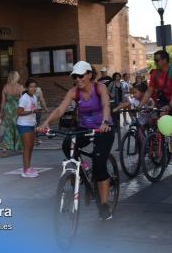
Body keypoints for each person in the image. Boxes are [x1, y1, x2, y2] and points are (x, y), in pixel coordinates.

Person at [39, 61, 115, 220]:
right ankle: (83, 170)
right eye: (75, 76)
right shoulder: (74, 92)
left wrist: (105, 121)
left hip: (103, 129)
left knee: (100, 166)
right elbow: (61, 109)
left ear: (89, 75)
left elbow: (106, 105)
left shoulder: (99, 88)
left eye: (81, 76)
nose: (78, 79)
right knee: (67, 144)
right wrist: (46, 123)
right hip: (84, 128)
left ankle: (104, 204)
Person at [17, 79, 42, 178]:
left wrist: (36, 112)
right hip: (23, 125)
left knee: (31, 146)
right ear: (27, 88)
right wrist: (32, 111)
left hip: (31, 124)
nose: (33, 88)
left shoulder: (34, 97)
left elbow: (33, 110)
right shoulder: (24, 98)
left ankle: (28, 167)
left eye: (35, 86)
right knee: (27, 147)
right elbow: (19, 112)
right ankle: (26, 170)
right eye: (31, 86)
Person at [0, 71, 24, 158]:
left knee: (8, 129)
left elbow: (3, 102)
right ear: (17, 77)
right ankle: (21, 148)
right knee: (18, 128)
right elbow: (23, 101)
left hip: (8, 109)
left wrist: (1, 113)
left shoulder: (5, 87)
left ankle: (5, 150)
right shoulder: (20, 87)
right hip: (17, 109)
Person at [108, 72, 124, 149]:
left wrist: (123, 101)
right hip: (113, 102)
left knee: (118, 115)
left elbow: (122, 93)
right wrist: (111, 95)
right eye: (116, 76)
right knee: (114, 115)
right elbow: (107, 90)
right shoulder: (112, 83)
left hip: (120, 102)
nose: (118, 77)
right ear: (114, 77)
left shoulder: (121, 84)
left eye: (119, 76)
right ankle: (114, 128)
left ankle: (117, 128)